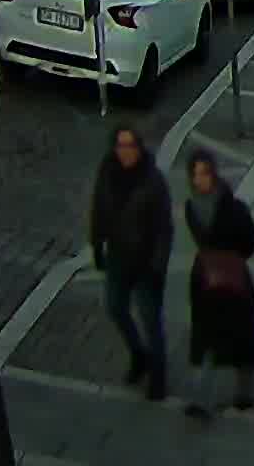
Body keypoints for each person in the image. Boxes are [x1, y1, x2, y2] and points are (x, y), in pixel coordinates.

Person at [86, 125, 173, 401]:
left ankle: (158, 376)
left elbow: (163, 228)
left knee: (150, 320)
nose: (126, 152)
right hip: (118, 258)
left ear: (139, 148)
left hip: (146, 264)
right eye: (121, 146)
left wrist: (158, 266)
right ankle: (138, 354)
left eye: (131, 146)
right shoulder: (107, 172)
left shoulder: (153, 181)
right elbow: (98, 208)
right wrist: (97, 244)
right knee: (115, 307)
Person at [178, 149, 254, 416]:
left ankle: (242, 392)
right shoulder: (195, 208)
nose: (200, 179)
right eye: (196, 174)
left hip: (223, 278)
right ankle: (203, 398)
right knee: (210, 336)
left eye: (204, 173)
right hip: (212, 280)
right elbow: (250, 244)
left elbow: (249, 242)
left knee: (238, 335)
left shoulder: (226, 209)